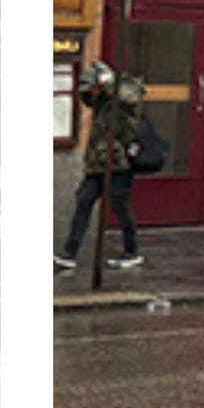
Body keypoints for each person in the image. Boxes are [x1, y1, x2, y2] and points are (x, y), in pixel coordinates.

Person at [58, 62, 145, 271]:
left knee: (120, 206)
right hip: (98, 162)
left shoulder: (126, 90)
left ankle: (132, 250)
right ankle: (69, 252)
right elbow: (86, 99)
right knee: (84, 201)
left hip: (119, 162)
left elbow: (130, 97)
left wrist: (109, 85)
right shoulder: (101, 101)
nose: (93, 92)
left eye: (95, 87)